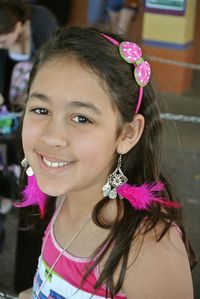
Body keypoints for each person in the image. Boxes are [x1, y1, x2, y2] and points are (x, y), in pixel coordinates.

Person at [17, 26, 196, 299]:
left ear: (127, 134)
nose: (52, 137)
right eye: (41, 110)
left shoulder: (148, 248)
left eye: (82, 118)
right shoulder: (65, 195)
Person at [0, 0, 58, 109]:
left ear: (17, 26)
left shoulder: (41, 20)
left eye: (3, 41)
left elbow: (54, 63)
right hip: (11, 101)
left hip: (42, 91)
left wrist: (35, 92)